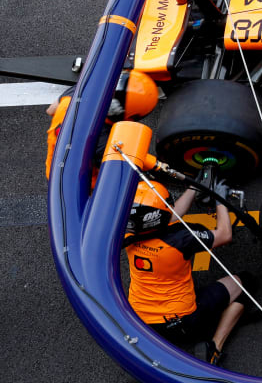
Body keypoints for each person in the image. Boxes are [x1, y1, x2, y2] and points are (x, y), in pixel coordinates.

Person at [124, 179, 246, 365]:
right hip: (183, 322)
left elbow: (170, 215)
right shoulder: (181, 239)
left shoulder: (127, 232)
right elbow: (224, 234)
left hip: (141, 322)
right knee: (244, 281)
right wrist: (220, 201)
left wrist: (194, 186)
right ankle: (214, 347)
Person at [45, 69, 159, 179]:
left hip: (55, 165)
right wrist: (156, 165)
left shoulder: (81, 91)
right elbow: (122, 164)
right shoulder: (102, 140)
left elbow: (51, 110)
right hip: (77, 180)